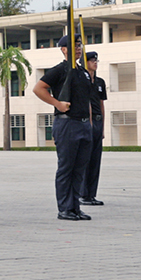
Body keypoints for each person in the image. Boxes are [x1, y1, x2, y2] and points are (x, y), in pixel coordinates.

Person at [33, 34, 95, 221]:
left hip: (83, 124)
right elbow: (39, 88)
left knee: (79, 169)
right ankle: (64, 208)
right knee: (66, 167)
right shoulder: (60, 70)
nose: (78, 48)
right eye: (73, 45)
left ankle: (75, 206)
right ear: (63, 49)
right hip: (67, 122)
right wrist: (57, 104)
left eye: (79, 45)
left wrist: (90, 124)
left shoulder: (83, 72)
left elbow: (88, 100)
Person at [80, 51, 107, 206]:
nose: (95, 63)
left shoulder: (100, 82)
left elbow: (101, 104)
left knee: (96, 160)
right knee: (85, 159)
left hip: (97, 122)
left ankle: (91, 194)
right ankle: (82, 193)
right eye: (92, 61)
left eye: (96, 60)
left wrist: (102, 127)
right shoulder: (82, 80)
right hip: (85, 122)